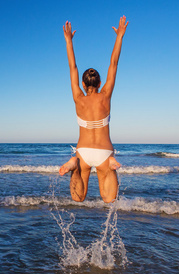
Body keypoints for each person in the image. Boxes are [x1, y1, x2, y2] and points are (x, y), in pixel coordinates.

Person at [59, 16, 128, 203]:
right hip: (105, 153)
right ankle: (112, 165)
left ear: (83, 84)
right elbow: (113, 64)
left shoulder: (78, 98)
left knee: (78, 197)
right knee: (109, 198)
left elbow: (72, 67)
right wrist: (120, 35)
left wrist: (68, 41)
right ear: (99, 83)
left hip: (83, 153)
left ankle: (74, 164)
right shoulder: (105, 95)